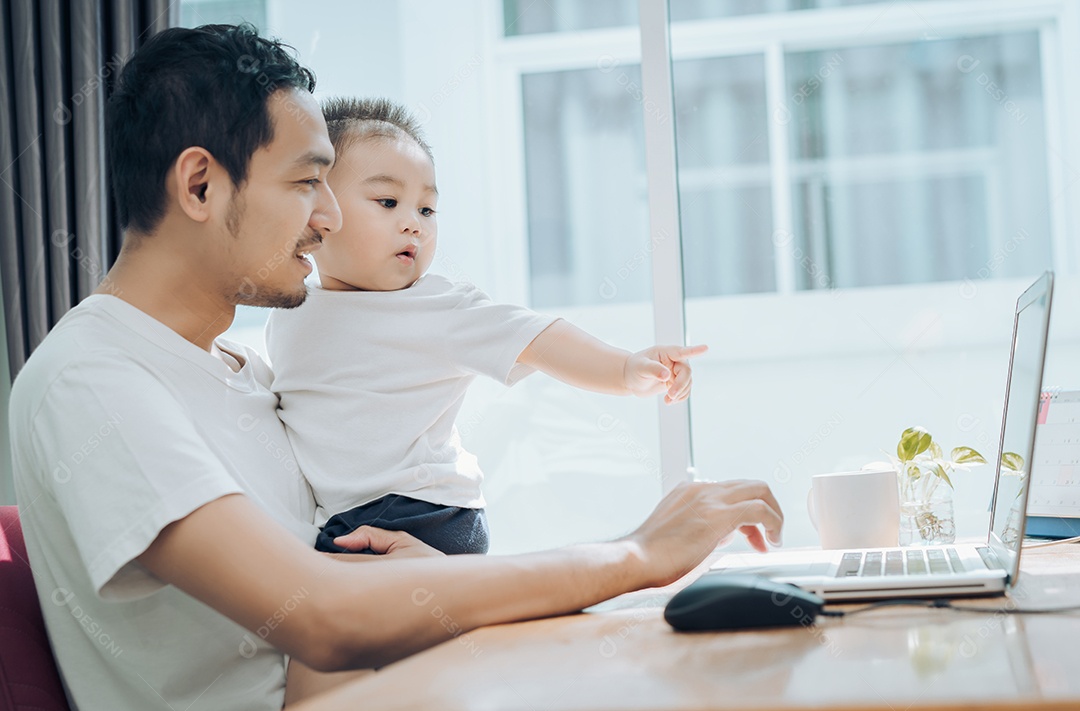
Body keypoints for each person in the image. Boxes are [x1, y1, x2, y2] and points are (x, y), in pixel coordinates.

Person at [8, 23, 784, 711]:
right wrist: (637, 555)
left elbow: (337, 574)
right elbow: (321, 615)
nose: (330, 217)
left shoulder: (250, 368)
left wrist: (422, 578)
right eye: (306, 182)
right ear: (201, 185)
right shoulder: (92, 379)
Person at [265, 97, 708, 557]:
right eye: (389, 202)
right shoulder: (290, 308)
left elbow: (539, 338)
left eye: (427, 210)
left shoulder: (438, 308)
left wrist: (625, 369)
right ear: (319, 211)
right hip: (346, 513)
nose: (414, 225)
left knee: (319, 579)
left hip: (423, 512)